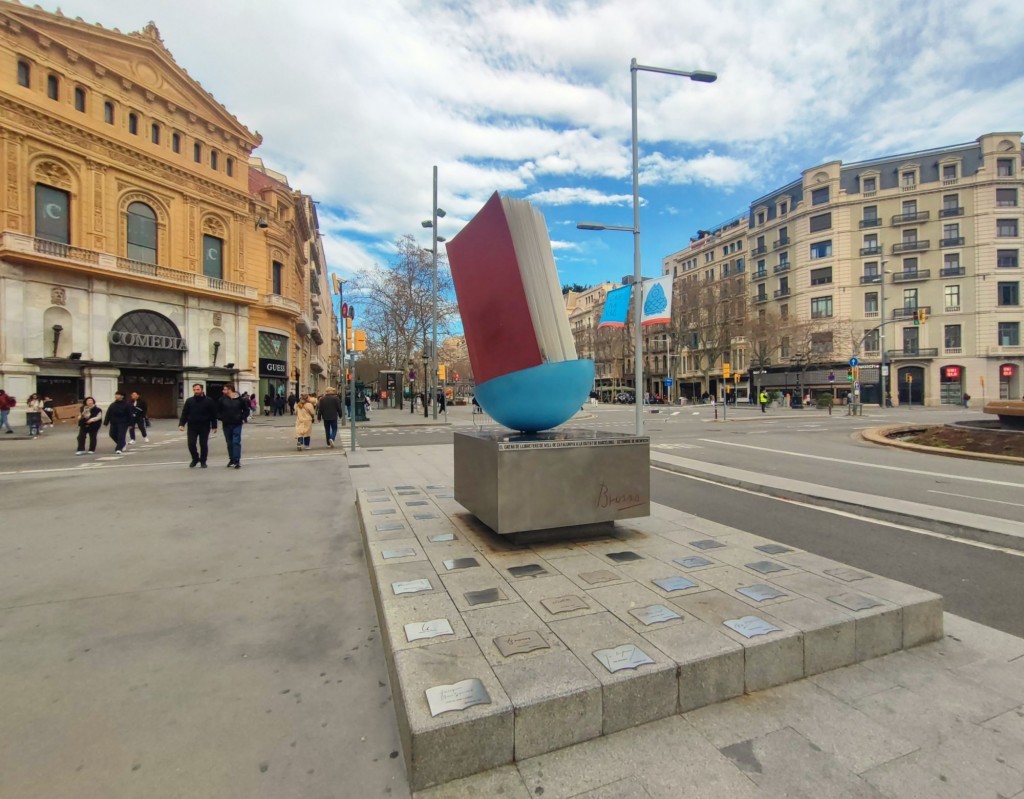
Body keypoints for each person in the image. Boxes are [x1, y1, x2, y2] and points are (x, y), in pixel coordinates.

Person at [178, 383, 218, 468]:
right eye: (194, 390)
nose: (196, 391)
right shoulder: (189, 401)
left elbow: (213, 414)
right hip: (192, 426)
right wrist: (181, 424)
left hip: (204, 426)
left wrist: (214, 426)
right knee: (191, 443)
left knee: (203, 444)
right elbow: (185, 413)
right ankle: (195, 458)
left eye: (198, 389)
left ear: (202, 390)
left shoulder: (208, 401)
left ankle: (203, 461)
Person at [218, 384, 249, 468]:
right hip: (226, 424)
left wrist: (242, 417)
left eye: (224, 389)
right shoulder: (222, 400)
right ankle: (231, 459)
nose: (223, 391)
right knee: (229, 443)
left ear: (230, 390)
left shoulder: (240, 400)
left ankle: (237, 460)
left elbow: (246, 410)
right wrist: (221, 417)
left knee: (236, 441)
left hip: (237, 424)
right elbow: (218, 410)